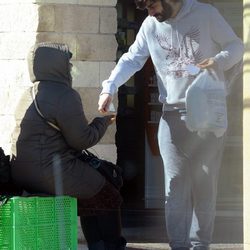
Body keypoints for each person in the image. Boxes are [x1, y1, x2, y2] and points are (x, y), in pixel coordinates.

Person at [98, 0, 244, 249]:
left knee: (205, 184)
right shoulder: (150, 26)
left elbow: (236, 46)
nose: (150, 12)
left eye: (152, 5)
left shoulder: (205, 14)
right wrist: (109, 87)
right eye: (146, 8)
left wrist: (218, 60)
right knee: (174, 185)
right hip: (171, 115)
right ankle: (178, 245)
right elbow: (132, 59)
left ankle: (201, 245)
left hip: (207, 115)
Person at [11, 42, 127, 250]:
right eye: (68, 64)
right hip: (49, 170)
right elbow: (82, 140)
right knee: (108, 194)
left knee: (91, 194)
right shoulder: (64, 94)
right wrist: (104, 121)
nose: (71, 68)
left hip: (22, 171)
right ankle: (109, 246)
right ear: (58, 66)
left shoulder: (29, 93)